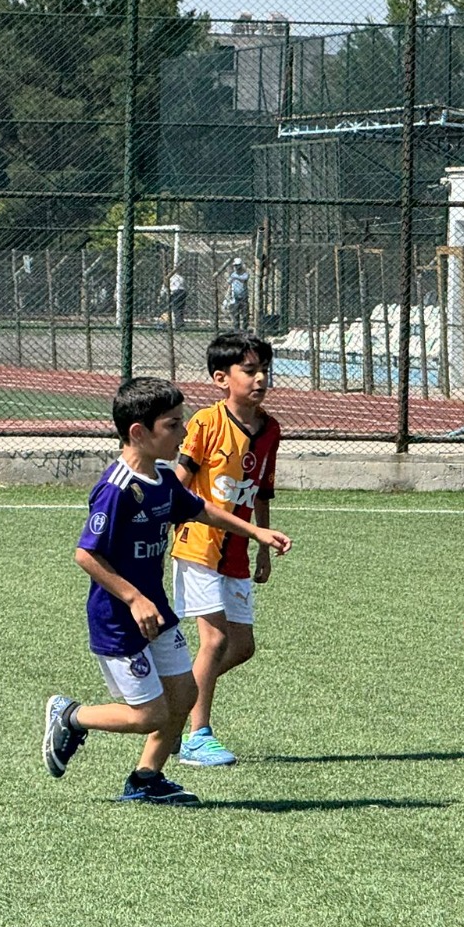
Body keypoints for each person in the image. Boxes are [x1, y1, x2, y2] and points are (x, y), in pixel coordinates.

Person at [40, 376, 291, 804]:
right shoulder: (118, 489)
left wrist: (255, 532)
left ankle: (145, 780)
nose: (183, 432)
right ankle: (72, 715)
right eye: (173, 425)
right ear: (139, 432)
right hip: (119, 620)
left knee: (185, 694)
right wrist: (134, 598)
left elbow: (202, 509)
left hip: (156, 613)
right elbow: (86, 555)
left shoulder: (161, 478)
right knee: (149, 714)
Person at [169, 332, 282, 768]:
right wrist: (166, 524)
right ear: (221, 378)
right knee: (213, 640)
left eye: (263, 371)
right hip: (198, 544)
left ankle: (177, 700)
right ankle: (197, 736)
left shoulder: (270, 428)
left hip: (238, 551)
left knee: (242, 645)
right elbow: (179, 484)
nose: (259, 379)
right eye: (249, 371)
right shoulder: (204, 423)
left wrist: (263, 546)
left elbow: (262, 492)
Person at [225, 258, 250, 331]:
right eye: (235, 266)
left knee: (245, 315)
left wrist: (235, 277)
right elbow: (229, 283)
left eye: (238, 265)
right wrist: (227, 295)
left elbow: (244, 278)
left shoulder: (244, 274)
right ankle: (236, 331)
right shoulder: (233, 274)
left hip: (244, 297)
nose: (236, 267)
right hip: (235, 298)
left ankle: (245, 330)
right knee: (235, 315)